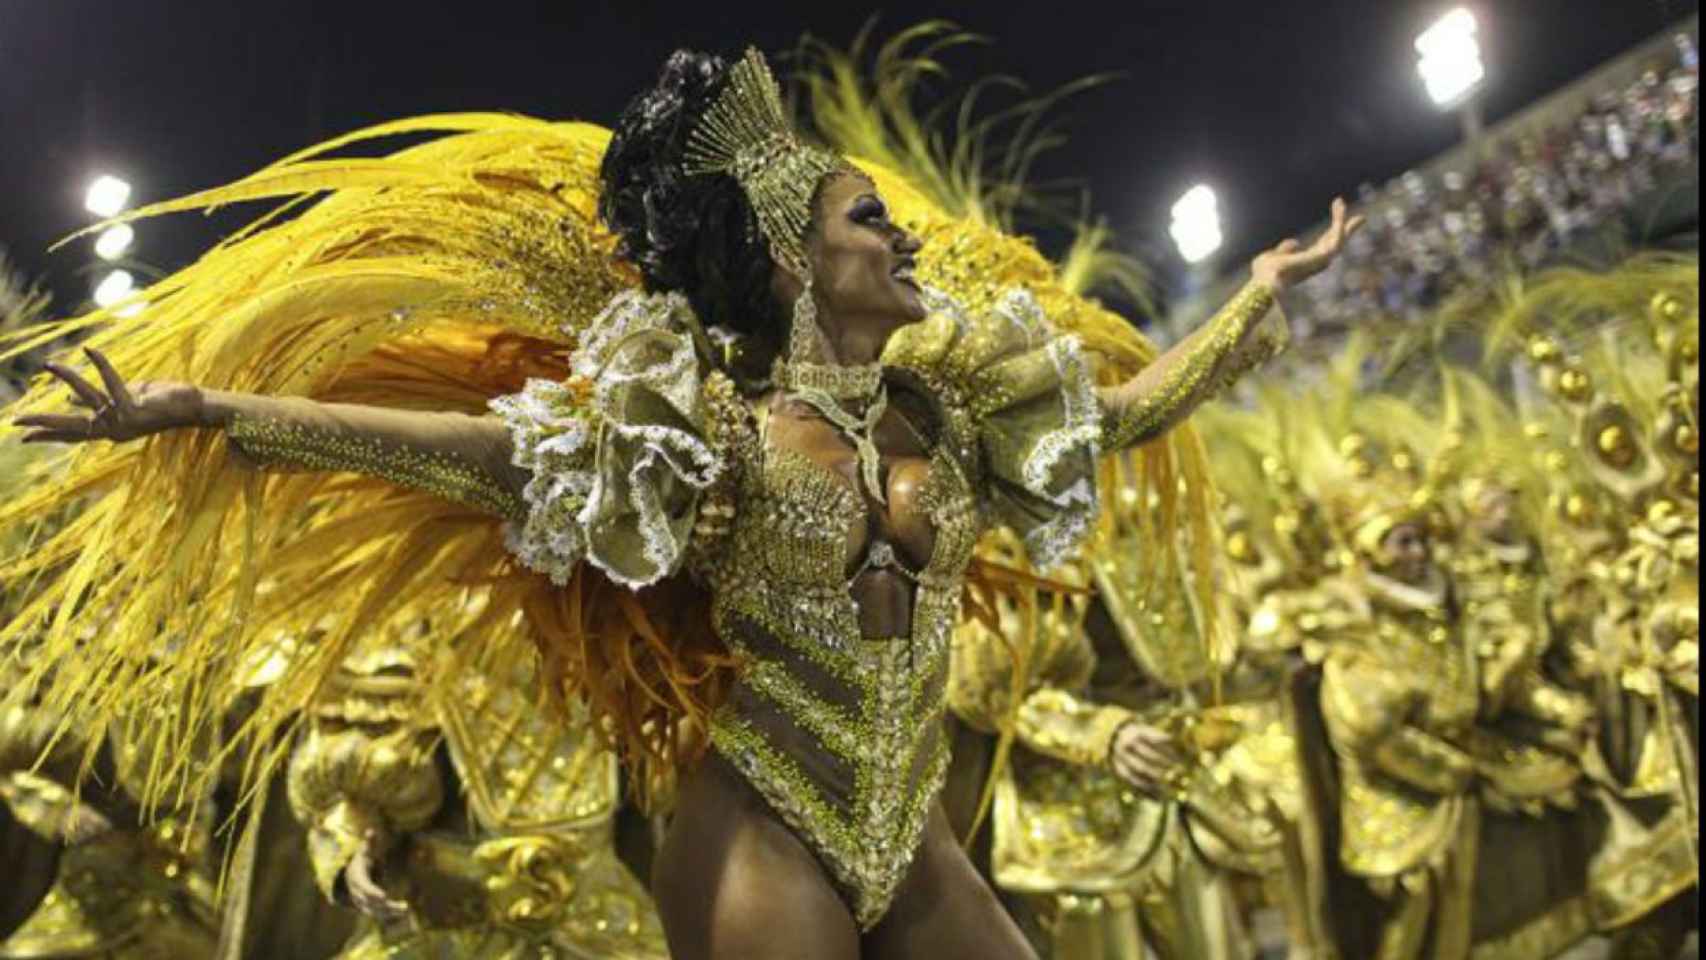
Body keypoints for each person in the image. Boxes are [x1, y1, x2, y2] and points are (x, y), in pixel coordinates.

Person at [7, 45, 1360, 959]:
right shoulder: (705, 434)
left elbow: (1122, 418)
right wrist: (207, 413)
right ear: (789, 261)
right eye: (866, 221)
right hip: (764, 824)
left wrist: (1256, 299)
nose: (899, 238)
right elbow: (455, 453)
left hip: (912, 825)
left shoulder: (952, 415)